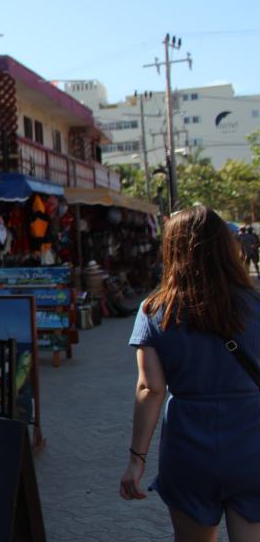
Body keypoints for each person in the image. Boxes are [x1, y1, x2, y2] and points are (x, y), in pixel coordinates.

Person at [120, 206, 260, 540]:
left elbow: (150, 389)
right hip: (252, 445)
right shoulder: (255, 304)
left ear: (172, 251)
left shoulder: (154, 310)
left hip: (189, 448)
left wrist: (137, 459)